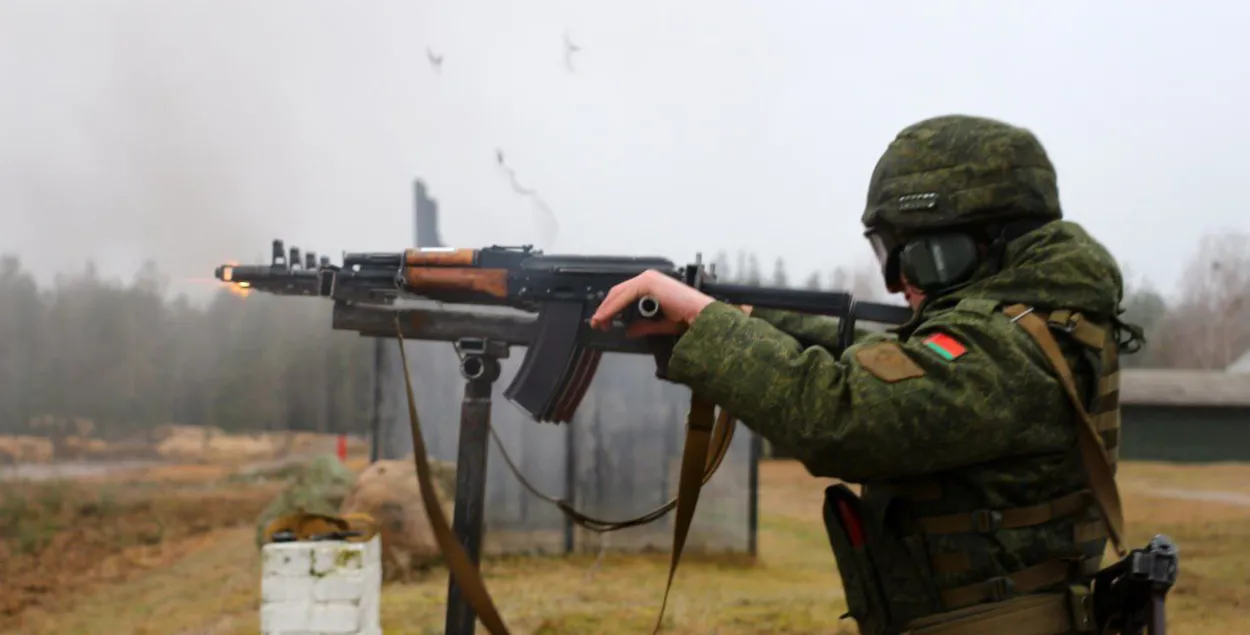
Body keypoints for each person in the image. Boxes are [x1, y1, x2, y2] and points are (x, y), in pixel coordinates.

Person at [589, 114, 1141, 635]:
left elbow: (841, 415)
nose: (897, 281)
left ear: (968, 245)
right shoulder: (1030, 323)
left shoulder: (1012, 348)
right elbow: (884, 359)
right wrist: (739, 320)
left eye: (908, 255)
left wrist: (703, 320)